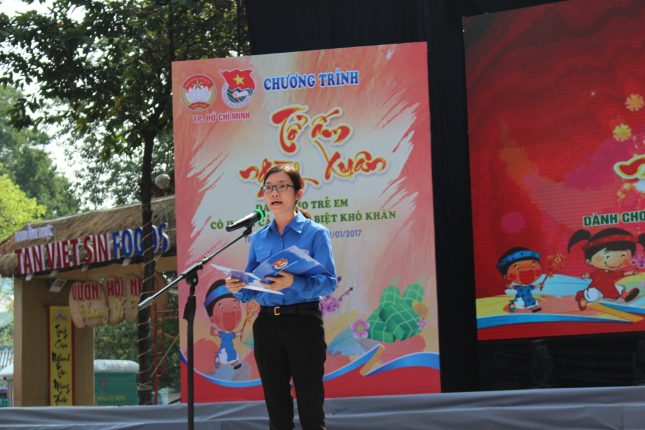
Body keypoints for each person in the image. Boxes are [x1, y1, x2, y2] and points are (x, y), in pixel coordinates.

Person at [226, 164, 337, 430]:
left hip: (304, 322)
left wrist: (294, 282)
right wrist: (239, 287)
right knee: (277, 408)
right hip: (267, 325)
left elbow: (329, 282)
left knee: (310, 406)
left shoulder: (315, 233)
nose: (274, 193)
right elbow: (253, 285)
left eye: (282, 186)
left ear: (298, 193)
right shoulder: (259, 239)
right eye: (269, 188)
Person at [568, 227, 643, 310]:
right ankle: (583, 298)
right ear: (589, 261)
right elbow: (590, 275)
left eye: (623, 255)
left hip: (610, 288)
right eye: (608, 256)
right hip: (598, 288)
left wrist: (631, 273)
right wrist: (586, 275)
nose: (616, 261)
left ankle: (625, 294)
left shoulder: (612, 273)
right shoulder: (598, 274)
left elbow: (621, 274)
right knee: (594, 295)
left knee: (619, 288)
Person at [496, 246, 544, 313]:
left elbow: (533, 287)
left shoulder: (528, 286)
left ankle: (534, 307)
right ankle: (532, 308)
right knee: (526, 301)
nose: (527, 271)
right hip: (521, 299)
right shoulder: (518, 287)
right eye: (517, 268)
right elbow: (513, 287)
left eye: (533, 266)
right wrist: (510, 286)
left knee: (531, 300)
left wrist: (539, 285)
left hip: (529, 297)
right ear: (506, 277)